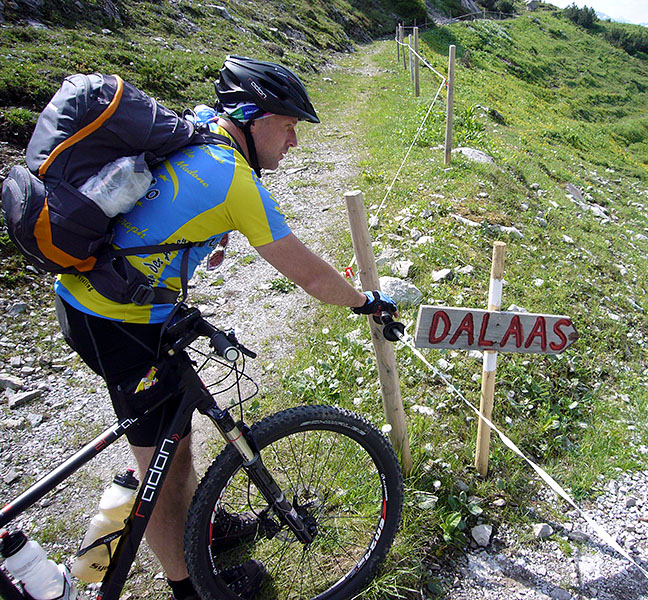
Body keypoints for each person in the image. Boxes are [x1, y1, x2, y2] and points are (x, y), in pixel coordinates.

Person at [53, 55, 397, 600]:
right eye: (287, 127)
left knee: (176, 439)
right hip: (118, 323)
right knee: (163, 468)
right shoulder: (232, 179)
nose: (294, 142)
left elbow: (172, 200)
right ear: (254, 118)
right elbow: (307, 272)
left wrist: (215, 233)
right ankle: (189, 587)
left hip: (110, 305)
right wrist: (366, 302)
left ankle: (204, 527)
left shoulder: (199, 131)